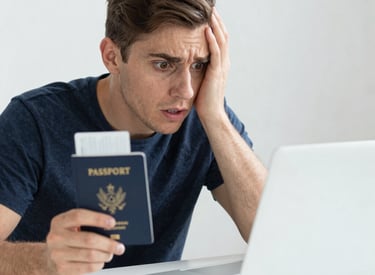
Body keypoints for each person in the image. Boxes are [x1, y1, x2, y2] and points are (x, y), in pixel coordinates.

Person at [0, 0, 267, 274]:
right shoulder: (34, 121)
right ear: (112, 57)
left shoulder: (206, 117)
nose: (185, 91)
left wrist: (216, 117)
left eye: (199, 65)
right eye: (163, 65)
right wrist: (43, 260)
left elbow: (273, 233)